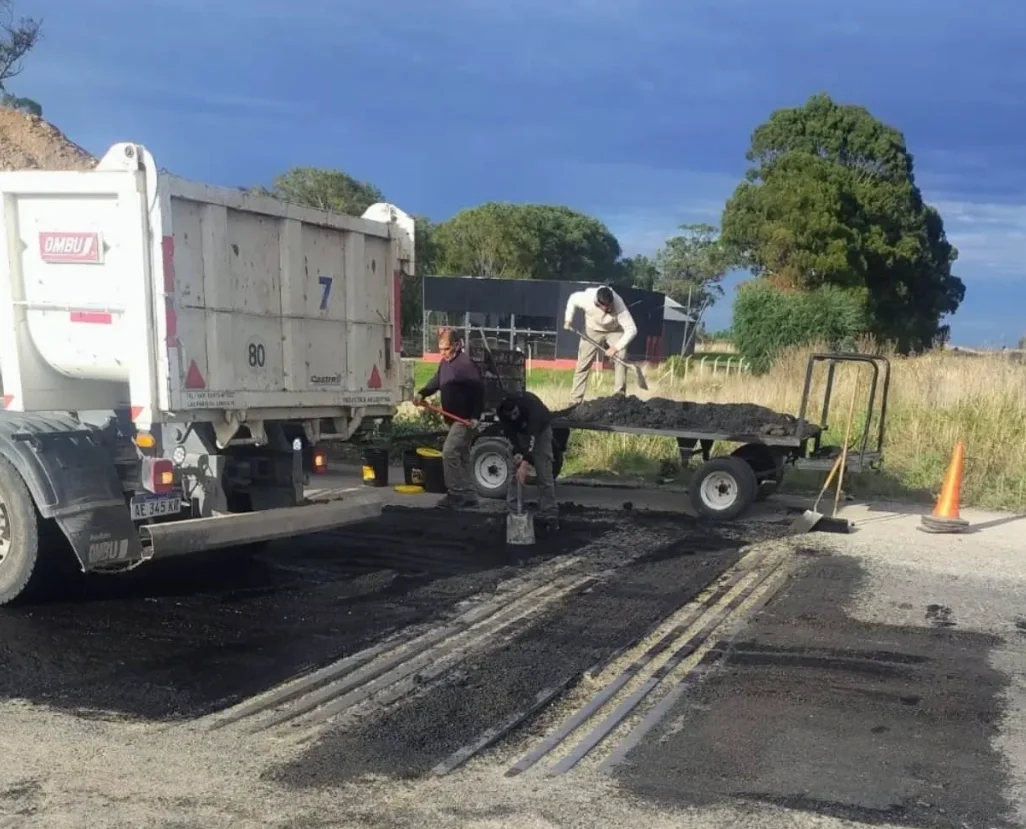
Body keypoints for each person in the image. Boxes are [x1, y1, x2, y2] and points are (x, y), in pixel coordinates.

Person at [414, 328, 485, 509]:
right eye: (440, 349)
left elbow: (478, 392)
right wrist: (423, 394)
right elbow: (437, 381)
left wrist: (476, 416)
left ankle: (455, 494)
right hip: (452, 419)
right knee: (462, 456)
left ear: (455, 345)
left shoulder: (465, 365)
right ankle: (469, 495)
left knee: (449, 452)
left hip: (464, 420)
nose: (442, 353)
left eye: (445, 349)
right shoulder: (445, 363)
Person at [563, 285, 638, 407]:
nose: (610, 309)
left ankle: (619, 396)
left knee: (621, 355)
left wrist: (616, 347)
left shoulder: (619, 305)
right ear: (598, 303)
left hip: (614, 330)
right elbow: (572, 299)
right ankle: (575, 401)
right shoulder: (586, 298)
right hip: (592, 330)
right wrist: (568, 319)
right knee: (583, 364)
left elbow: (632, 329)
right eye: (606, 308)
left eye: (611, 306)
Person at [496, 390, 558, 530]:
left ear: (518, 408)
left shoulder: (533, 409)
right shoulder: (502, 412)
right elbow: (509, 431)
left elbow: (533, 438)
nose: (512, 417)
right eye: (509, 415)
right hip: (520, 433)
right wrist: (517, 451)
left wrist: (525, 462)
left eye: (515, 414)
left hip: (540, 431)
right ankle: (513, 512)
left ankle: (550, 514)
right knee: (514, 473)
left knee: (544, 472)